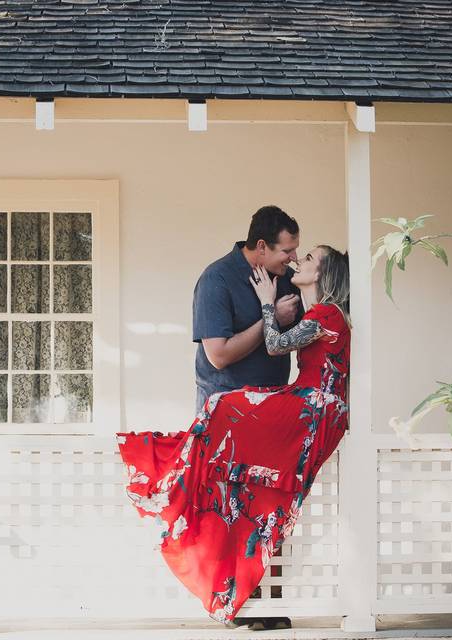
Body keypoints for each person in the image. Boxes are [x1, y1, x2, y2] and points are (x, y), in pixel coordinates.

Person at [117, 244, 351, 626]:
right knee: (248, 468)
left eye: (308, 259)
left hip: (314, 408)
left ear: (325, 275)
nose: (298, 260)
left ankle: (175, 466)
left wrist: (265, 301)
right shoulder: (319, 314)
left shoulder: (327, 314)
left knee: (225, 405)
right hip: (310, 404)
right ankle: (258, 597)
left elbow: (275, 346)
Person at [192, 205, 303, 413]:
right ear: (261, 246)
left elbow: (304, 337)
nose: (294, 257)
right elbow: (219, 356)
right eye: (287, 251)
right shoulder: (216, 279)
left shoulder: (286, 276)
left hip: (275, 403)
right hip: (226, 409)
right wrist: (272, 318)